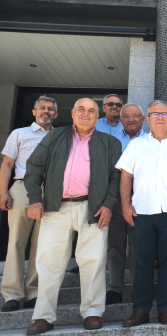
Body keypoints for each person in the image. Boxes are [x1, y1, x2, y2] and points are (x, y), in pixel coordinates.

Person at [24, 98, 121, 334]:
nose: (86, 114)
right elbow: (33, 167)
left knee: (93, 261)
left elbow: (116, 177)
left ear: (97, 116)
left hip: (93, 208)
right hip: (55, 208)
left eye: (91, 111)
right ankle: (44, 316)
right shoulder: (54, 137)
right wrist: (35, 197)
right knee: (49, 262)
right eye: (81, 109)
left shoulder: (110, 142)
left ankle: (92, 312)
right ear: (73, 113)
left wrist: (109, 204)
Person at [117, 100, 167, 327]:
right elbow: (126, 177)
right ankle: (140, 310)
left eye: (164, 114)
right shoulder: (136, 145)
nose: (160, 118)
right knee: (143, 263)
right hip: (142, 212)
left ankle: (166, 309)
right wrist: (125, 206)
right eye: (155, 114)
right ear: (148, 119)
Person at [0, 96, 58, 313]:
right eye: (42, 108)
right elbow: (7, 164)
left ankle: (33, 291)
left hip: (50, 191)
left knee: (42, 244)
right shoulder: (19, 133)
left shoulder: (60, 136)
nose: (46, 112)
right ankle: (12, 294)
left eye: (50, 109)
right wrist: (3, 192)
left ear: (56, 114)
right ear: (34, 112)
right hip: (22, 189)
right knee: (16, 242)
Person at [106, 103, 146, 305]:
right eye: (127, 116)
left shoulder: (150, 141)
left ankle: (138, 287)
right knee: (115, 245)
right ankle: (115, 288)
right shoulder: (111, 141)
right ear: (120, 119)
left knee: (138, 247)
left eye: (135, 116)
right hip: (114, 199)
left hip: (141, 200)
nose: (131, 119)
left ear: (143, 118)